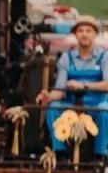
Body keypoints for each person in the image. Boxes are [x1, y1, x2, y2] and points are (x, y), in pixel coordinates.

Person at [37, 15, 108, 155]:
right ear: (75, 34)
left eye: (88, 30)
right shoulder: (66, 57)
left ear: (95, 34)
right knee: (53, 108)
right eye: (80, 31)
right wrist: (47, 97)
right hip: (71, 105)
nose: (84, 34)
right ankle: (60, 152)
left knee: (105, 110)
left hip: (96, 105)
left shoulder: (104, 57)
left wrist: (83, 85)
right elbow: (60, 90)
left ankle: (100, 154)